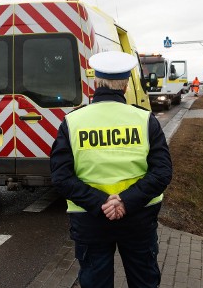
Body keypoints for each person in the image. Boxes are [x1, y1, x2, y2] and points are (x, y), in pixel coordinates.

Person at [50, 51, 173, 288]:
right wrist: (125, 201)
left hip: (90, 220)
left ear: (96, 82)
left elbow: (61, 176)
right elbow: (162, 172)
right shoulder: (145, 120)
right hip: (138, 218)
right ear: (126, 85)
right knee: (144, 282)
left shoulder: (72, 122)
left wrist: (100, 203)